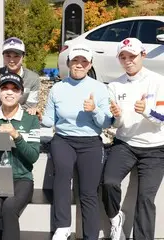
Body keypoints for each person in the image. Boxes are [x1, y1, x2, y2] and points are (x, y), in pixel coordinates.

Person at [42, 44, 113, 240]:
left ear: (90, 65)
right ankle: (63, 227)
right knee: (62, 179)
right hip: (63, 140)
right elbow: (49, 119)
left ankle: (91, 235)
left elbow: (106, 122)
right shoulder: (58, 88)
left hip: (90, 142)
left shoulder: (99, 88)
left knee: (88, 192)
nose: (79, 65)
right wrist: (37, 116)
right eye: (75, 61)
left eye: (84, 61)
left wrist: (94, 110)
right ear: (69, 63)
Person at [102, 38, 164, 240]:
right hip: (125, 144)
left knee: (145, 198)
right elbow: (116, 124)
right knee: (109, 182)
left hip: (156, 148)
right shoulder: (114, 85)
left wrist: (146, 111)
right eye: (123, 57)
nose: (128, 61)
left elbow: (161, 120)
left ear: (143, 55)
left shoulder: (158, 81)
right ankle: (115, 217)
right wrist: (117, 116)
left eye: (132, 56)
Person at [0, 73, 41, 240]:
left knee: (10, 208)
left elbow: (33, 156)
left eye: (14, 89)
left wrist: (16, 135)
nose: (9, 93)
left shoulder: (30, 120)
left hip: (21, 178)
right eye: (5, 88)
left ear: (21, 94)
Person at [0, 37, 40, 112]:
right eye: (8, 56)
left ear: (23, 56)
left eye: (16, 56)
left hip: (22, 118)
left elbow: (31, 106)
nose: (11, 60)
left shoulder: (33, 78)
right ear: (3, 56)